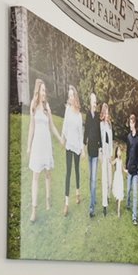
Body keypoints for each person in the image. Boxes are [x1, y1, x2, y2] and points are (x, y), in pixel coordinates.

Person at [26, 78, 56, 223]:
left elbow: (51, 126)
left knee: (48, 174)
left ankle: (48, 199)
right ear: (38, 91)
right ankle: (34, 210)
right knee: (35, 177)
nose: (45, 93)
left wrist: (60, 139)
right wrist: (28, 146)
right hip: (37, 145)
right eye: (43, 90)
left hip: (46, 145)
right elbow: (31, 126)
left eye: (45, 91)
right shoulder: (33, 105)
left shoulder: (46, 107)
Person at [60, 85, 83, 217]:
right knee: (68, 172)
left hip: (77, 146)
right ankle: (67, 203)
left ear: (75, 97)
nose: (70, 98)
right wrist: (63, 138)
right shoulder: (67, 110)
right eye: (68, 96)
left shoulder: (79, 115)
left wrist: (82, 149)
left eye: (71, 95)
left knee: (76, 170)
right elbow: (64, 125)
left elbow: (80, 133)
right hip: (69, 145)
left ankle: (78, 193)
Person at [84, 92, 104, 218]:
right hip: (89, 151)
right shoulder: (87, 115)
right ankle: (94, 198)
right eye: (93, 101)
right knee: (91, 178)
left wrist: (101, 148)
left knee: (93, 180)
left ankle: (91, 208)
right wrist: (82, 144)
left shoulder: (97, 116)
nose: (95, 103)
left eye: (96, 101)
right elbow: (86, 130)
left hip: (96, 152)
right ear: (90, 102)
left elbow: (100, 133)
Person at [124, 112, 138, 225]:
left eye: (132, 123)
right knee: (128, 191)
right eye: (130, 123)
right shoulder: (128, 137)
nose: (131, 125)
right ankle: (127, 204)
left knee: (135, 195)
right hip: (129, 169)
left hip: (135, 171)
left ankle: (134, 217)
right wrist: (125, 166)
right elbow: (127, 153)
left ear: (134, 123)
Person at [97, 103, 115, 216]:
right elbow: (100, 141)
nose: (107, 115)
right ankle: (104, 205)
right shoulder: (101, 125)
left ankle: (108, 196)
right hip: (103, 155)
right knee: (104, 180)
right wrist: (101, 154)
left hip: (109, 155)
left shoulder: (109, 125)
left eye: (108, 113)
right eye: (106, 112)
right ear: (103, 113)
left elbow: (111, 141)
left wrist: (112, 154)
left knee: (110, 180)